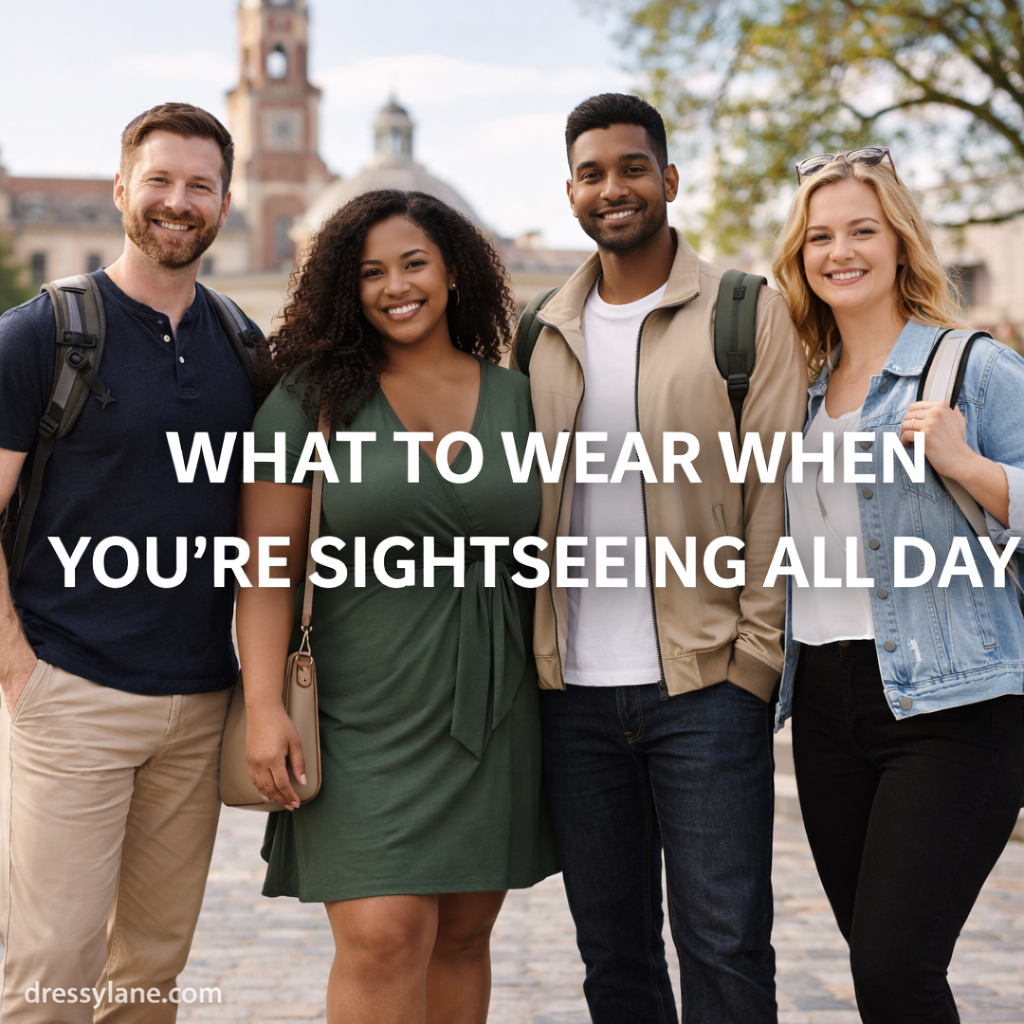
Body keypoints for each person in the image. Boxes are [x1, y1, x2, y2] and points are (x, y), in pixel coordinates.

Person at [513, 93, 807, 1022]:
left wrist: (754, 662)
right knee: (615, 956)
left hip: (706, 689)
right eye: (593, 173)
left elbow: (777, 496)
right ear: (570, 193)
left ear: (669, 179)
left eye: (634, 167)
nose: (615, 188)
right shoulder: (537, 333)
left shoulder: (742, 311)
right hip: (574, 702)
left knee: (724, 947)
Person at [237, 189, 559, 1024]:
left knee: (461, 936)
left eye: (413, 263)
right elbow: (266, 572)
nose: (395, 286)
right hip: (357, 712)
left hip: (491, 712)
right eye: (371, 272)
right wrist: (265, 706)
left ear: (453, 271)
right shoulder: (307, 403)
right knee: (382, 937)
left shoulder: (521, 400)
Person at [0, 104, 257, 1022]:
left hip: (196, 705)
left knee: (148, 975)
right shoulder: (43, 333)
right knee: (51, 972)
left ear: (225, 201)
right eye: (160, 180)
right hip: (74, 692)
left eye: (199, 185)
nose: (178, 202)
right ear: (121, 190)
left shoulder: (242, 346)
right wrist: (19, 668)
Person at [772, 148, 1024, 1023]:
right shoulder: (796, 394)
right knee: (886, 973)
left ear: (900, 242)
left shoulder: (973, 369)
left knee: (894, 969)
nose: (840, 251)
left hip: (955, 706)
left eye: (861, 231)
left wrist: (967, 463)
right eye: (820, 236)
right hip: (828, 705)